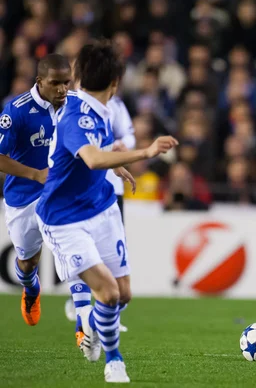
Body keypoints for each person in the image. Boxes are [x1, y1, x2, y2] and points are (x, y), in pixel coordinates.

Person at [35, 41, 178, 383]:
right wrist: (145, 152)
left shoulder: (101, 111)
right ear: (115, 83)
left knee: (124, 293)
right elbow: (93, 157)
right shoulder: (77, 114)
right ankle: (114, 361)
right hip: (64, 219)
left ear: (80, 75)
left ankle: (93, 327)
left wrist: (115, 167)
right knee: (109, 293)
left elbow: (99, 154)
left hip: (100, 207)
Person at [0, 54, 93, 328]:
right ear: (40, 81)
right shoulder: (15, 111)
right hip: (22, 198)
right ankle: (31, 289)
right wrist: (34, 174)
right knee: (28, 263)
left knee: (75, 249)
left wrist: (115, 165)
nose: (63, 89)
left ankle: (83, 323)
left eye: (67, 82)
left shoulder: (76, 104)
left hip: (60, 194)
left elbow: (92, 140)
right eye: (56, 83)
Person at [65, 93, 135, 339]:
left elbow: (128, 136)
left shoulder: (115, 105)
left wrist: (121, 148)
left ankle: (100, 314)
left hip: (111, 189)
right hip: (81, 189)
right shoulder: (70, 104)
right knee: (86, 251)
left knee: (110, 256)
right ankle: (82, 306)